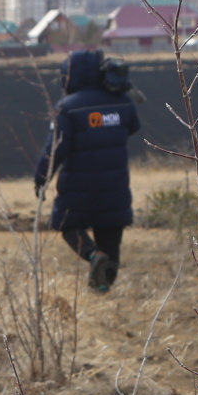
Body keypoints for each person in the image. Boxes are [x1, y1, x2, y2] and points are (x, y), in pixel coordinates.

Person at [34, 50, 142, 293]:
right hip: (115, 185)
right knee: (111, 234)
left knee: (66, 223)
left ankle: (93, 256)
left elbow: (55, 149)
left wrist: (41, 179)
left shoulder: (67, 108)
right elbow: (133, 126)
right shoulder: (122, 101)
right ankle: (103, 287)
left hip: (78, 187)